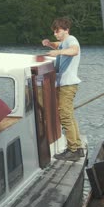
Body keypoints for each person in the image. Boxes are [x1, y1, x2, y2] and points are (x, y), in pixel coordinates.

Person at [42, 17, 83, 161]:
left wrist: (57, 53)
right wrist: (50, 44)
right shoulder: (64, 42)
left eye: (57, 31)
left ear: (66, 30)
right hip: (65, 84)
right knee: (69, 115)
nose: (55, 34)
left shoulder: (71, 39)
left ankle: (73, 150)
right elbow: (59, 45)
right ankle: (77, 147)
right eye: (54, 31)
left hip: (67, 85)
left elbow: (74, 50)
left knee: (65, 115)